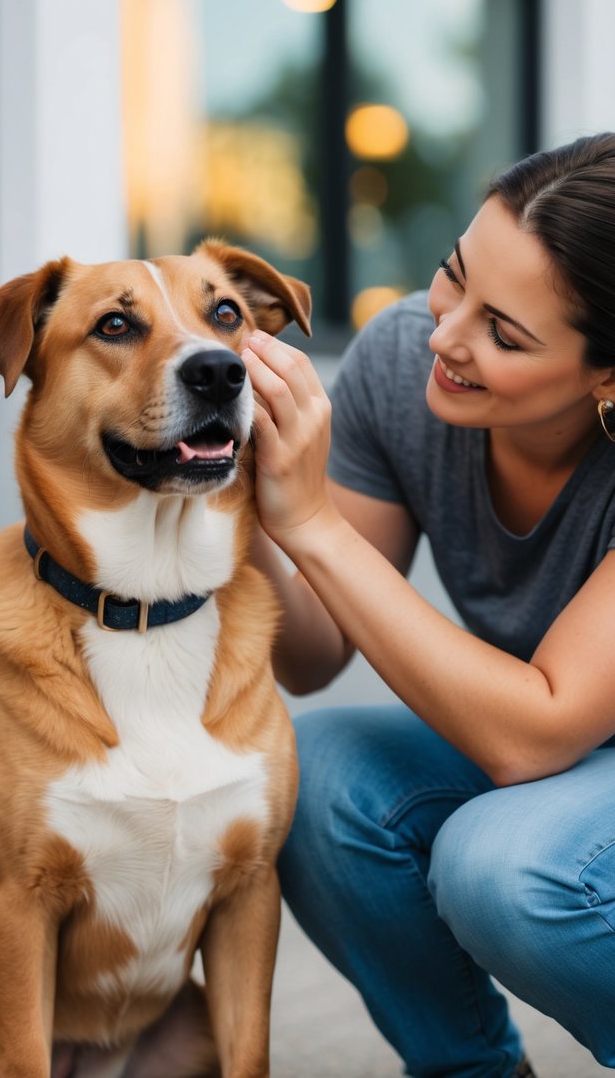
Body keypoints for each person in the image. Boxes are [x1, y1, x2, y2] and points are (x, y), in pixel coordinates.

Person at [241, 132, 615, 1078]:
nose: (444, 335)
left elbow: (536, 732)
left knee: (506, 868)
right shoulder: (406, 355)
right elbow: (311, 654)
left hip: (562, 752)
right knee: (312, 772)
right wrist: (241, 494)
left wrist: (315, 525)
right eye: (456, 276)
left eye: (507, 333)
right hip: (575, 759)